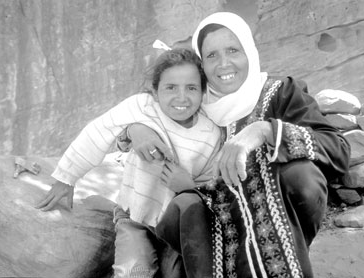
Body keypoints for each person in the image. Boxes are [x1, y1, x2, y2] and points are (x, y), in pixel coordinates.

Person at [124, 12, 350, 278]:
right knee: (185, 206)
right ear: (201, 64)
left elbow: (338, 149)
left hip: (275, 219)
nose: (223, 64)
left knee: (302, 176)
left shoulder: (281, 93)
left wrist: (265, 130)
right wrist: (132, 129)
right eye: (211, 56)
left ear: (249, 51)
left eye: (233, 50)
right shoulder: (194, 100)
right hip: (207, 217)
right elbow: (147, 109)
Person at [35, 48, 222, 278]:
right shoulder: (142, 107)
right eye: (170, 87)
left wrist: (189, 186)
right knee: (134, 271)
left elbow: (211, 185)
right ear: (155, 90)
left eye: (191, 88)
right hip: (133, 217)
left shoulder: (210, 134)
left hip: (176, 226)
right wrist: (66, 178)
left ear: (203, 92)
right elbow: (98, 132)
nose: (181, 97)